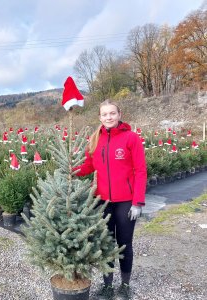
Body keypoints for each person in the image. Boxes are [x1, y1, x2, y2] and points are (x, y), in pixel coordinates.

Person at [74, 100, 147, 298]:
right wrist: (70, 170)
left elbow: (140, 171)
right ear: (100, 117)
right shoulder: (95, 139)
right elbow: (88, 166)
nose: (109, 117)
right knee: (106, 244)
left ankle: (124, 285)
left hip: (126, 202)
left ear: (119, 114)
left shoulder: (131, 138)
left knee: (124, 243)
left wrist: (138, 202)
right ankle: (107, 285)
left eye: (112, 113)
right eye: (105, 114)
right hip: (101, 201)